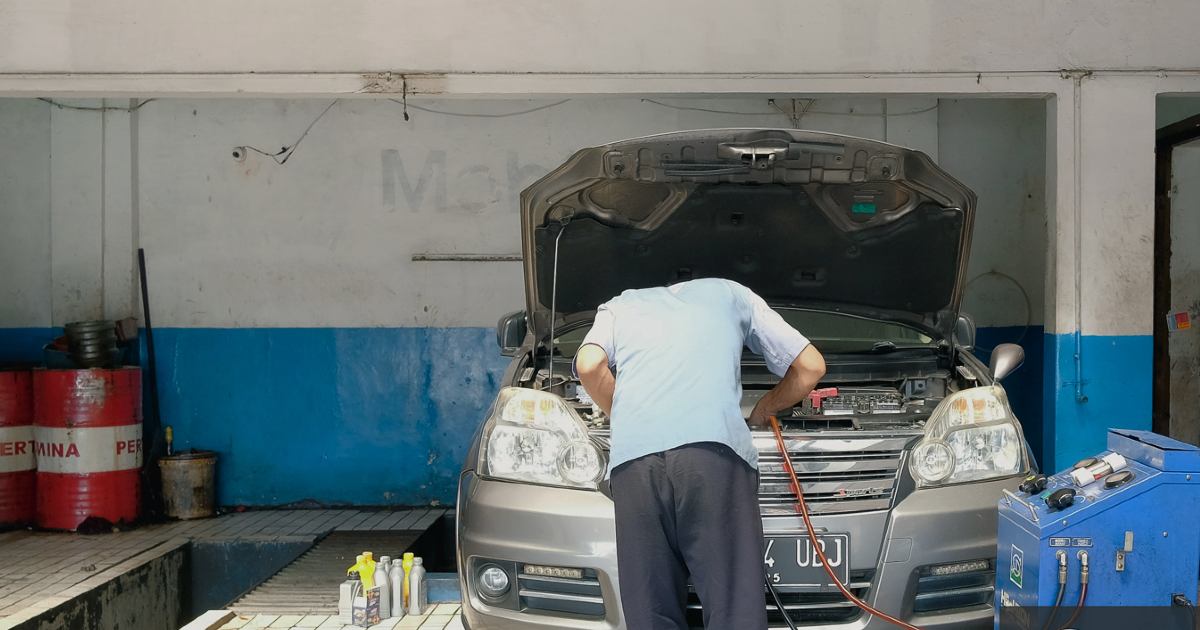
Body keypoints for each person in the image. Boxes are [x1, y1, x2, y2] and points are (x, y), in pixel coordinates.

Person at [573, 277, 826, 630]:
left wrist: (627, 416)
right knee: (733, 607)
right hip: (712, 460)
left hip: (634, 466)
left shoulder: (620, 304)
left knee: (650, 610)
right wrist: (764, 408)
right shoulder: (733, 293)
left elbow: (588, 365)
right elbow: (811, 366)